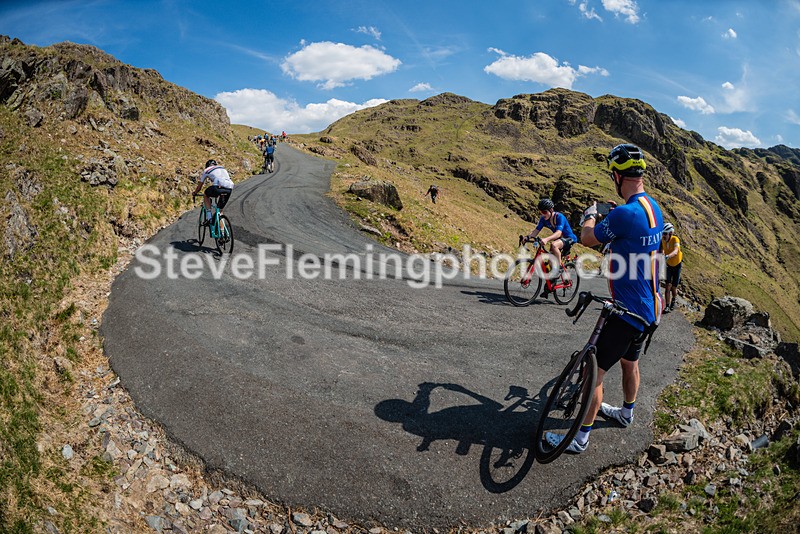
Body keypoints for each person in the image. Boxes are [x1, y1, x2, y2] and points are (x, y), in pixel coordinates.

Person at [548, 143, 664, 454]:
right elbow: (632, 235)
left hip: (627, 311)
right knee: (630, 362)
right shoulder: (652, 206)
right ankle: (626, 413)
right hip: (651, 307)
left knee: (592, 374)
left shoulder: (625, 214)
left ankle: (579, 438)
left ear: (616, 175)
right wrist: (614, 217)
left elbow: (588, 238)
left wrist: (590, 216)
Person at [522, 198, 577, 277]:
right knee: (549, 267)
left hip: (569, 238)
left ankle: (559, 268)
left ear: (551, 210)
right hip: (559, 240)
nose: (542, 214)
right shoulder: (543, 219)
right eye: (540, 212)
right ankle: (551, 285)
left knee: (554, 245)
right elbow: (536, 230)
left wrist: (546, 239)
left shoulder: (559, 217)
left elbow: (558, 233)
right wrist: (528, 237)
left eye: (544, 212)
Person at [192, 159, 234, 224]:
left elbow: (199, 186)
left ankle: (209, 218)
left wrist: (195, 193)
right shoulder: (222, 168)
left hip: (218, 187)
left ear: (207, 166)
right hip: (229, 188)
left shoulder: (206, 170)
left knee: (206, 194)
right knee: (220, 211)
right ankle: (222, 232)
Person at [660, 222, 682, 313]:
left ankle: (674, 299)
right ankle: (667, 306)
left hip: (677, 265)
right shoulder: (663, 240)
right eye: (663, 233)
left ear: (670, 233)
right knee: (667, 286)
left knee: (673, 287)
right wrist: (662, 254)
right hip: (668, 265)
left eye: (665, 234)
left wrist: (667, 256)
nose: (663, 236)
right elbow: (661, 248)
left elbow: (676, 251)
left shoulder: (675, 239)